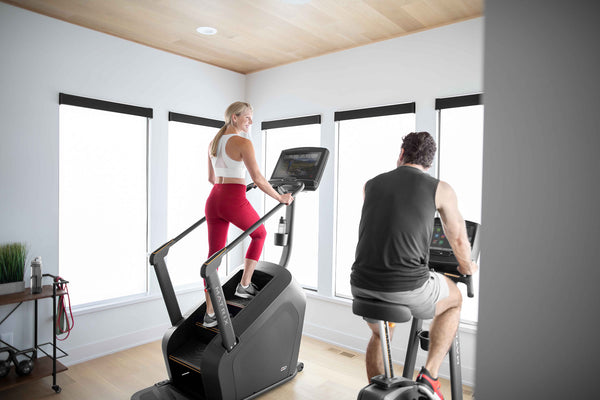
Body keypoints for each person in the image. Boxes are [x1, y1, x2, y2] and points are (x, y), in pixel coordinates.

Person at [350, 131, 478, 400]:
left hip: (361, 284)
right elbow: (457, 238)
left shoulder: (371, 184)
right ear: (430, 162)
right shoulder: (440, 188)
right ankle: (429, 376)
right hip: (406, 286)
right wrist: (466, 267)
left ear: (401, 154)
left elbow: (386, 224)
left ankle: (379, 390)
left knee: (381, 331)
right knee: (453, 299)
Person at [203, 101, 294, 327]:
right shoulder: (243, 142)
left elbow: (212, 179)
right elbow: (260, 179)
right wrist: (280, 198)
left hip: (214, 199)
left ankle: (210, 314)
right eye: (247, 117)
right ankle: (244, 285)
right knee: (260, 233)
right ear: (234, 117)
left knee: (214, 257)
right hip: (232, 198)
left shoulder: (213, 143)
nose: (250, 122)